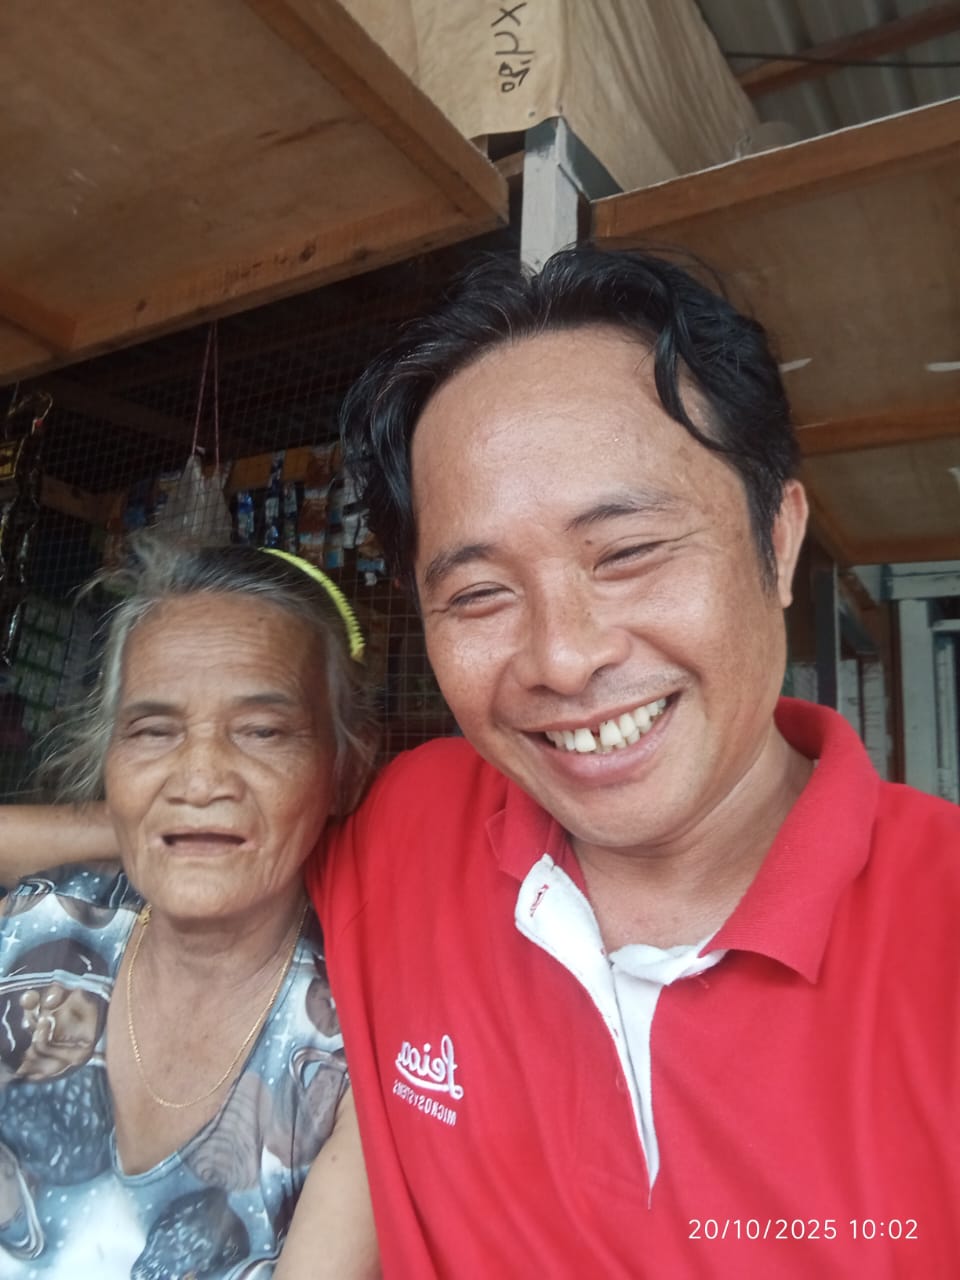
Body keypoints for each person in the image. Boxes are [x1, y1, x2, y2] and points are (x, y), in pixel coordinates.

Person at [4, 248, 960, 1277]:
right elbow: (228, 820)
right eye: (478, 593)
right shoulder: (417, 825)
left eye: (628, 551)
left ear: (779, 539)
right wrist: (139, 817)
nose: (563, 656)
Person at [0, 539, 380, 1278]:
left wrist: (164, 822)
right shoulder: (34, 934)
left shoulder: (352, 1056)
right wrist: (138, 822)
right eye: (153, 732)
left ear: (347, 767)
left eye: (262, 732)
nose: (201, 778)